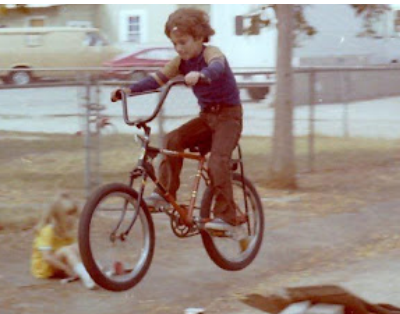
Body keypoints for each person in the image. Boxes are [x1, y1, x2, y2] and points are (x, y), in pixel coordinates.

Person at [111, 7, 245, 233]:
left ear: (199, 37)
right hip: (207, 117)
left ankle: (227, 216)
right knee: (172, 140)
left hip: (228, 117)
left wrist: (202, 75)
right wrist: (128, 91)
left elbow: (217, 67)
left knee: (217, 162)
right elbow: (157, 80)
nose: (179, 48)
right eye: (175, 44)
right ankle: (166, 194)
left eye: (183, 42)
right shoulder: (179, 63)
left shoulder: (211, 53)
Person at [31, 194, 95, 289]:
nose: (72, 218)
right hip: (45, 268)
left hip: (58, 265)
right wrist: (67, 269)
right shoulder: (47, 231)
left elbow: (76, 252)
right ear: (57, 217)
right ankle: (86, 276)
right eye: (68, 214)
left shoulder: (66, 232)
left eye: (74, 214)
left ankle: (95, 270)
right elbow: (47, 258)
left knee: (78, 247)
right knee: (66, 250)